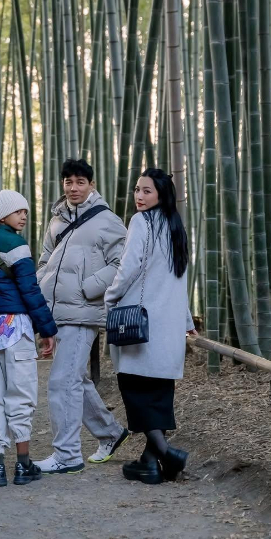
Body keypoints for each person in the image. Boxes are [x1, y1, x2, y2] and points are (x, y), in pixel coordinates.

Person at [36, 159, 130, 474]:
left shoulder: (108, 221)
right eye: (68, 182)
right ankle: (111, 433)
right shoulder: (57, 219)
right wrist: (42, 285)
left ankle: (67, 455)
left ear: (91, 184)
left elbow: (122, 265)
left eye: (79, 182)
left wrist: (86, 287)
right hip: (56, 310)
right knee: (76, 378)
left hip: (83, 312)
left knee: (62, 382)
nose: (73, 188)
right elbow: (45, 259)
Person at [104, 169, 196, 485]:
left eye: (147, 191)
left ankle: (168, 453)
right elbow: (179, 279)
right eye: (137, 190)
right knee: (157, 393)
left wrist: (110, 297)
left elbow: (129, 267)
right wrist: (185, 321)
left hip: (139, 324)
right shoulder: (176, 225)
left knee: (135, 389)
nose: (139, 197)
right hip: (167, 327)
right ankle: (150, 464)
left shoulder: (142, 222)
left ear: (161, 194)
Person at [0, 190, 59, 487]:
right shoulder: (17, 245)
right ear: (3, 214)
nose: (24, 215)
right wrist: (47, 330)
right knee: (20, 396)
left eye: (25, 211)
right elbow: (30, 291)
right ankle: (22, 465)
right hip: (17, 328)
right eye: (19, 211)